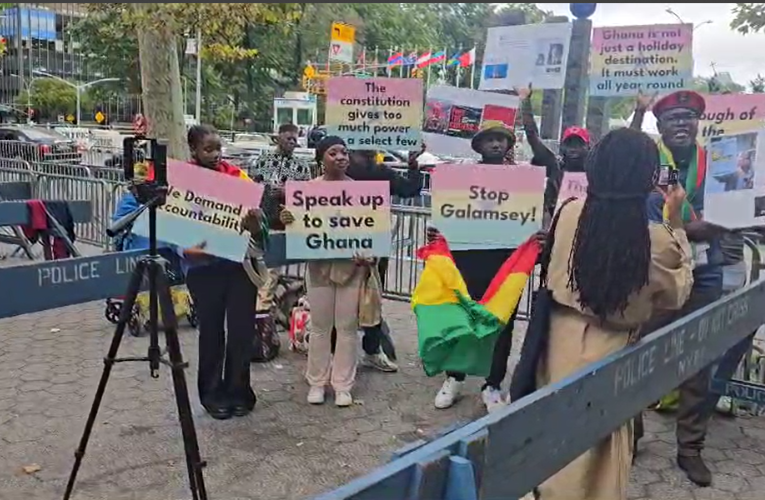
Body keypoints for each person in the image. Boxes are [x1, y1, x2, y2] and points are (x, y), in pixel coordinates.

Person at [535, 127, 693, 500]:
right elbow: (676, 294)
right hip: (609, 352)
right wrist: (676, 223)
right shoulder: (655, 238)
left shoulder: (569, 211)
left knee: (546, 437)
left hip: (555, 341)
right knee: (594, 459)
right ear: (648, 176)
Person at [631, 90, 729, 486]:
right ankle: (630, 437)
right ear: (660, 126)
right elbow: (621, 168)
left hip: (706, 270)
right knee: (638, 355)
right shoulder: (650, 163)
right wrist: (688, 229)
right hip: (657, 272)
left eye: (689, 117)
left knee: (699, 360)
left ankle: (690, 449)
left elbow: (737, 209)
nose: (682, 124)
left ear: (698, 123)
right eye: (673, 119)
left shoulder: (718, 162)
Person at [428, 121, 538, 412]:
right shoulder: (461, 177)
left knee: (501, 325)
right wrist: (437, 233)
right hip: (467, 262)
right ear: (479, 145)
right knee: (462, 321)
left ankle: (493, 384)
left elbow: (530, 221)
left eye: (501, 139)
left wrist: (537, 236)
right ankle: (454, 377)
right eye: (490, 140)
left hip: (505, 266)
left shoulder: (522, 179)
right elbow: (446, 215)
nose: (496, 144)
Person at [183, 124, 266, 420]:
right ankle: (212, 395)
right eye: (208, 149)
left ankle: (240, 391)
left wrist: (255, 221)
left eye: (219, 147)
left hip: (239, 266)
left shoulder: (237, 176)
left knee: (242, 332)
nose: (216, 154)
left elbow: (258, 226)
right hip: (204, 270)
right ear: (194, 150)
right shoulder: (183, 181)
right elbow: (181, 233)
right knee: (212, 333)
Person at [279, 136, 369, 407]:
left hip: (350, 270)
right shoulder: (306, 190)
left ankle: (343, 385)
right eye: (333, 152)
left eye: (344, 152)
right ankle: (317, 382)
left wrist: (368, 253)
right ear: (321, 158)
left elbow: (370, 229)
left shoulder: (361, 192)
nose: (341, 157)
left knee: (347, 328)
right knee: (319, 327)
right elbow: (299, 230)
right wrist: (288, 220)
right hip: (318, 269)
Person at [346, 147, 425, 373]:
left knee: (372, 300)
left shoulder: (381, 171)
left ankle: (371, 351)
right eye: (364, 150)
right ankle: (340, 356)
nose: (370, 153)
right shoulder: (338, 169)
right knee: (341, 300)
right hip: (339, 245)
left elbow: (410, 189)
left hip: (374, 246)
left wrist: (413, 167)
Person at [251, 123, 312, 326]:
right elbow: (250, 185)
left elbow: (309, 196)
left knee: (272, 272)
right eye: (288, 138)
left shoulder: (302, 167)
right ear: (278, 137)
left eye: (295, 139)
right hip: (263, 223)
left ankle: (265, 314)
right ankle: (262, 315)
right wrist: (267, 191)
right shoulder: (262, 161)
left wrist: (288, 193)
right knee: (266, 272)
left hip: (288, 225)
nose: (292, 143)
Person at [515, 85, 591, 219]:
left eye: (579, 144)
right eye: (569, 144)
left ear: (588, 147)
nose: (573, 149)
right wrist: (525, 101)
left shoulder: (596, 172)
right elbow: (533, 137)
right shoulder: (554, 166)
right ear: (562, 147)